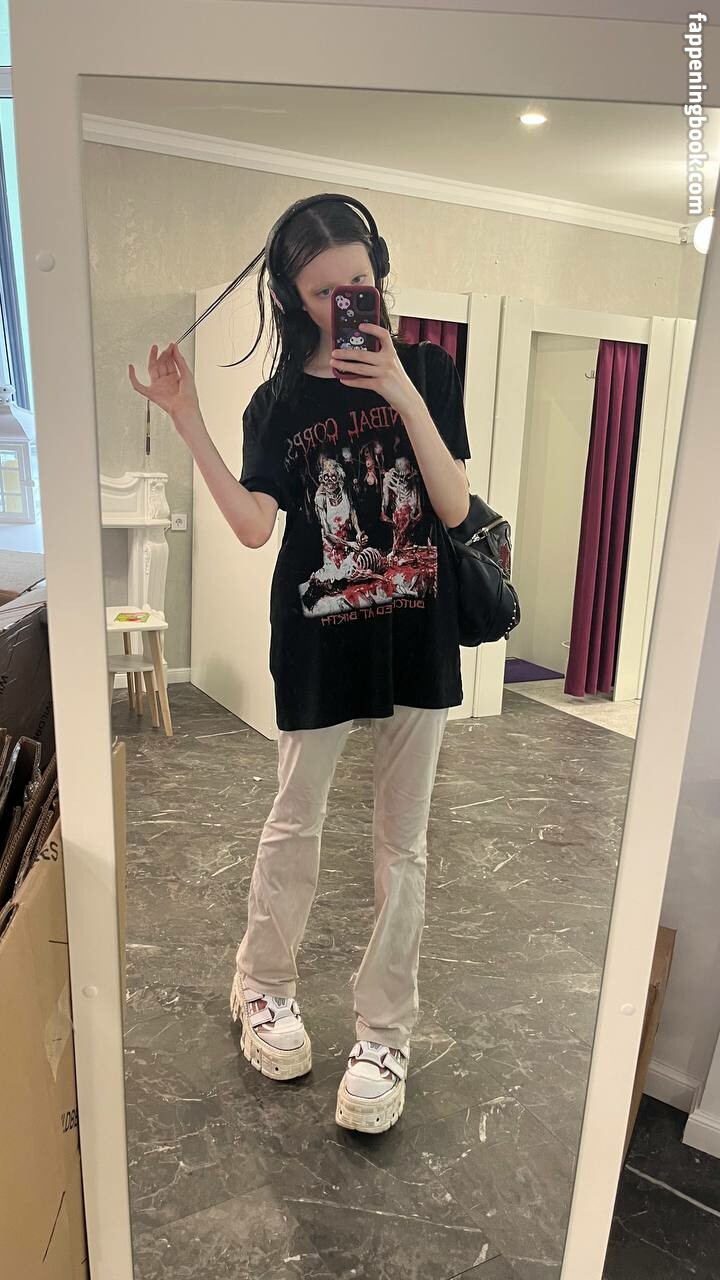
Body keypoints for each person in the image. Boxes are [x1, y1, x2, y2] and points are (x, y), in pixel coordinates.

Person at [128, 194, 471, 1134]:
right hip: (319, 636)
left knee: (404, 845)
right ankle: (262, 984)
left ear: (378, 271)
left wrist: (398, 388)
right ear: (292, 297)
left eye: (358, 281)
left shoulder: (430, 370)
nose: (345, 301)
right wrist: (187, 416)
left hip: (416, 633)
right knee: (296, 821)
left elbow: (450, 505)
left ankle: (385, 1032)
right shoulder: (278, 402)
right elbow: (252, 527)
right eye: (323, 291)